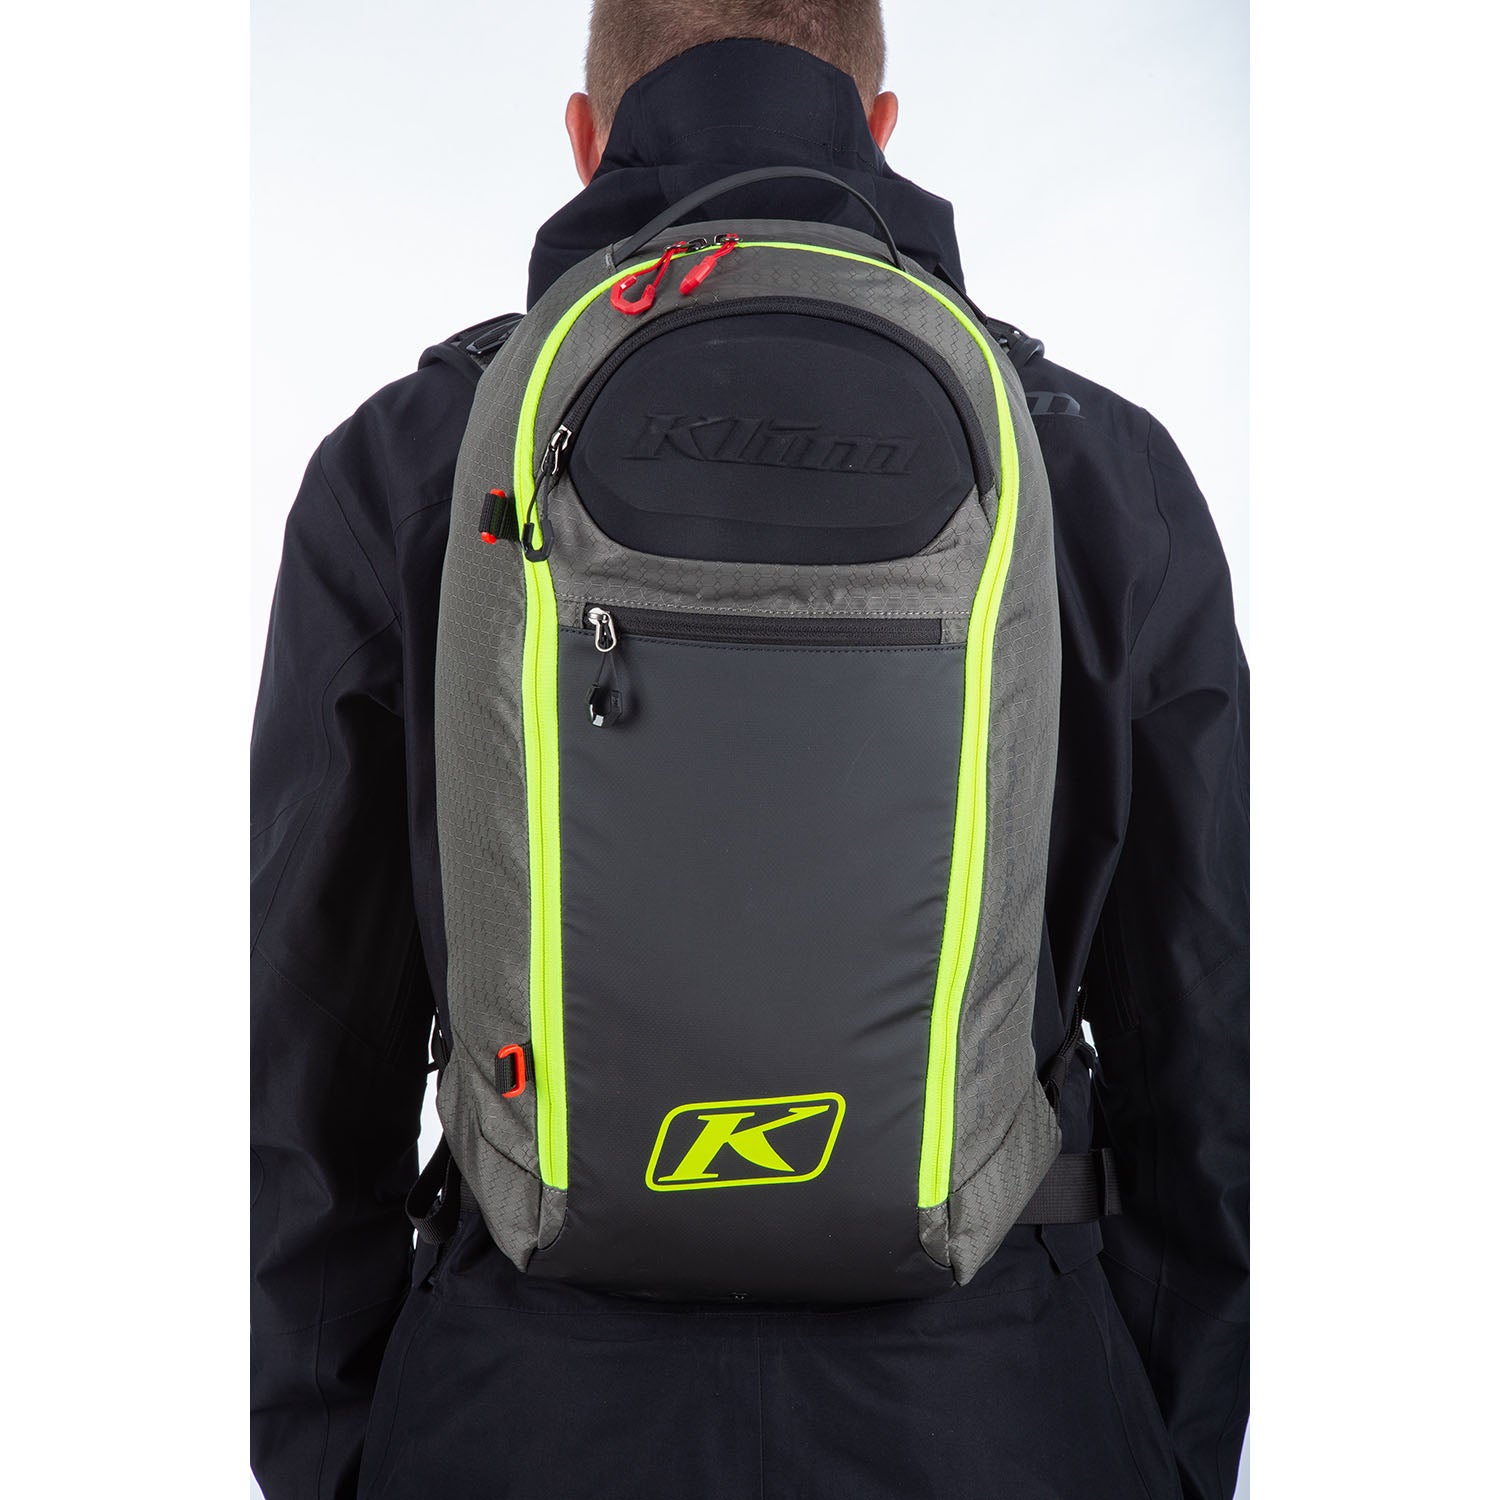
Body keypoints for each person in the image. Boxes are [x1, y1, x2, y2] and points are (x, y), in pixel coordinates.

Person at [251, 4, 1249, 1497]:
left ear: (586, 138)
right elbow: (1211, 1027)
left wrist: (345, 1454)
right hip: (1000, 1400)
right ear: (881, 127)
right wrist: (1152, 1443)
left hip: (520, 1410)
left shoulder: (412, 461)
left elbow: (306, 1050)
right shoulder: (1097, 465)